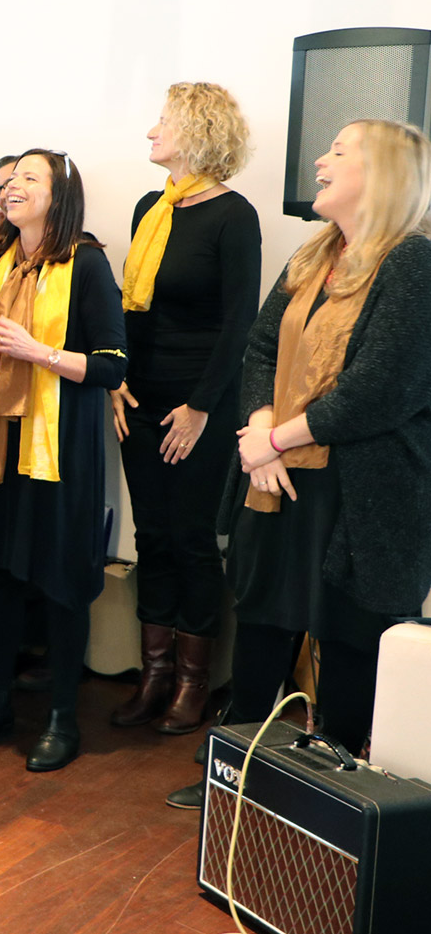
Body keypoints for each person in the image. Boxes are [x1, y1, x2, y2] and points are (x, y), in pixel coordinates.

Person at [169, 120, 431, 808]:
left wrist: (275, 439)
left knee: (347, 648)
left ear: (383, 176)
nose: (318, 159)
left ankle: (324, 801)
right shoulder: (314, 254)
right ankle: (235, 779)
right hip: (276, 477)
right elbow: (259, 351)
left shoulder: (412, 263)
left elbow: (380, 390)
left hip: (359, 496)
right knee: (261, 630)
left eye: (338, 151)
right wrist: (260, 428)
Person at [0, 149, 127, 772]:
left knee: (57, 577)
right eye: (9, 179)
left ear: (60, 196)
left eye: (30, 178)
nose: (13, 186)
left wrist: (38, 351)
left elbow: (111, 366)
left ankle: (62, 718)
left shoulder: (89, 265)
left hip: (57, 446)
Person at [110, 83, 261, 734]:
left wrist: (200, 408)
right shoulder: (153, 206)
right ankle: (155, 676)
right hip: (139, 401)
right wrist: (115, 380)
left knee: (194, 540)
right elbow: (130, 307)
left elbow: (239, 325)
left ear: (197, 131)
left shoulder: (234, 216)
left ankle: (194, 685)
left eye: (163, 122)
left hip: (200, 407)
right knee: (153, 538)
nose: (151, 132)